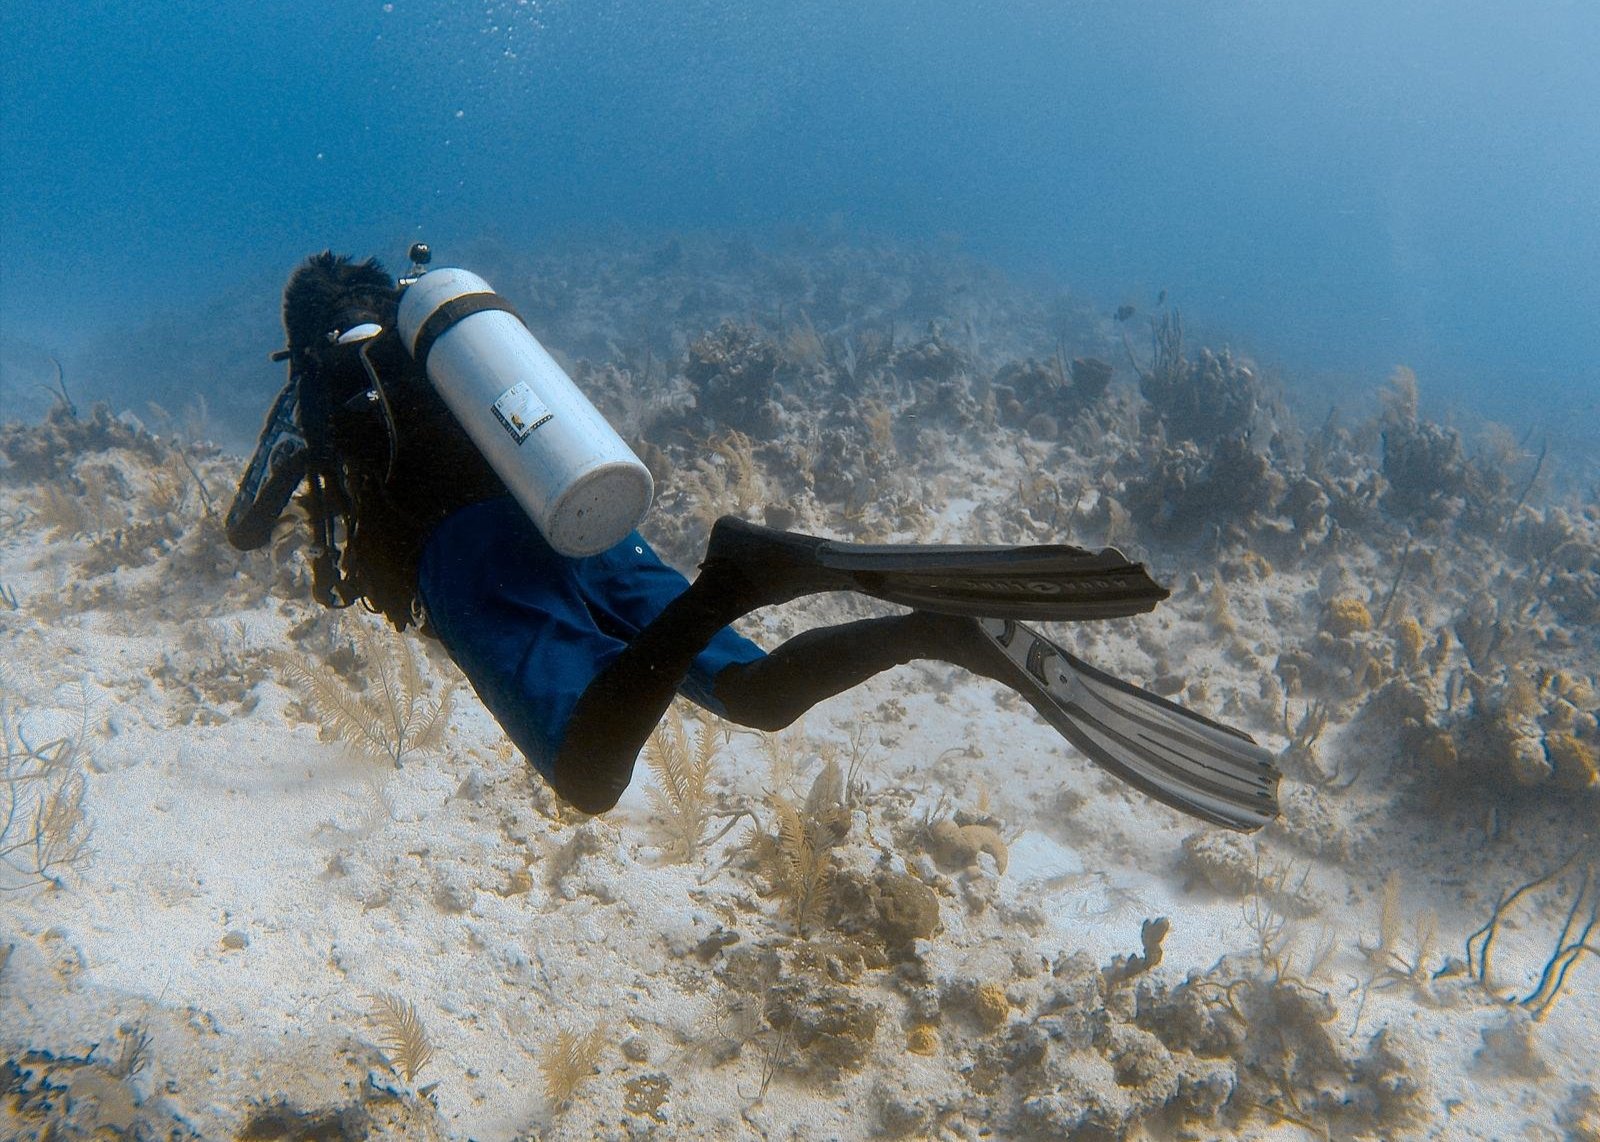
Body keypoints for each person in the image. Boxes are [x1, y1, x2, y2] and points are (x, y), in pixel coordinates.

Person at [228, 251, 1279, 831]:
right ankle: (936, 631)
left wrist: (298, 425)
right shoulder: (439, 347)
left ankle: (736, 580)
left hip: (459, 554)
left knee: (590, 774)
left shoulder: (320, 384)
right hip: (578, 512)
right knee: (753, 695)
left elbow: (248, 524)